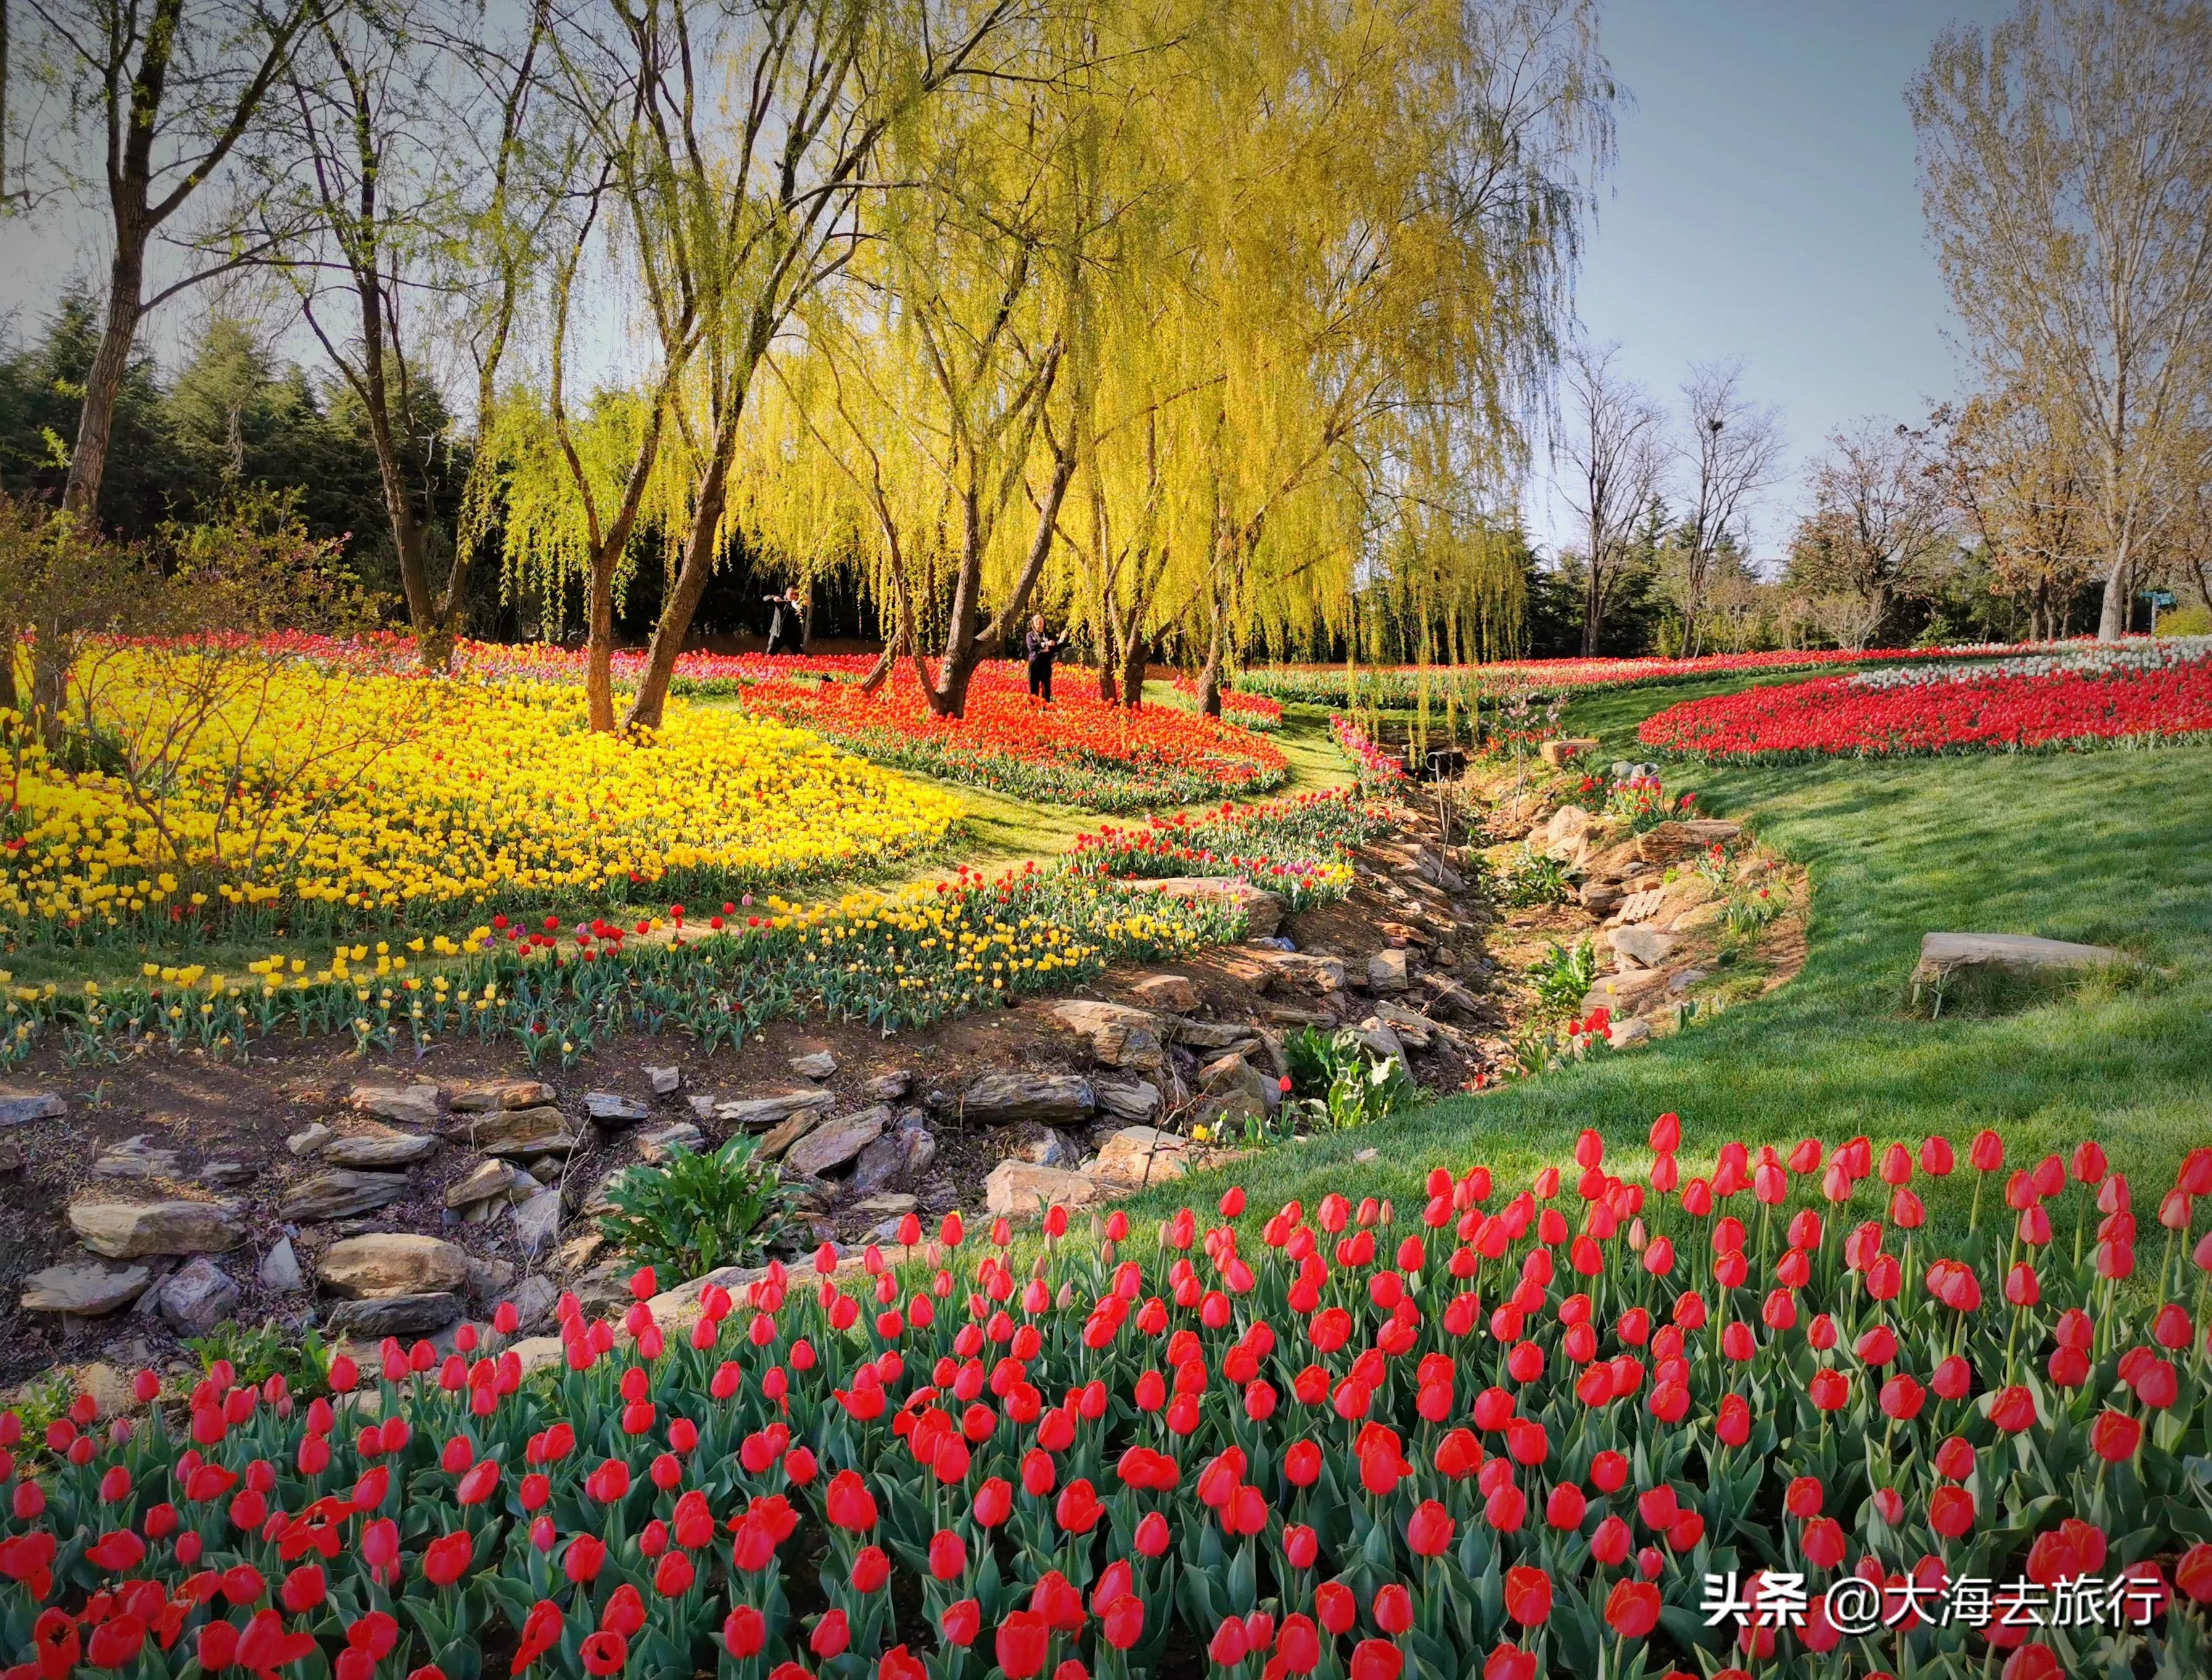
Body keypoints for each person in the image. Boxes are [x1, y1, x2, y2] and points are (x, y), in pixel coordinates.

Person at [1024, 614, 1059, 702]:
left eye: (1040, 620)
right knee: (1033, 685)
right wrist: (1045, 644)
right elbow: (1032, 647)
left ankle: (1046, 705)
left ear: (1044, 622)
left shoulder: (1049, 634)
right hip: (1035, 662)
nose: (1038, 622)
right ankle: (1033, 706)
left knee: (1046, 686)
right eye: (1036, 620)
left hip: (1046, 662)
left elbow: (1055, 648)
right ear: (1033, 623)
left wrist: (1061, 640)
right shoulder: (1030, 635)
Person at [763, 588, 805, 656]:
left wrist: (800, 614)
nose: (794, 596)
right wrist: (774, 598)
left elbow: (802, 616)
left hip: (792, 635)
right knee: (769, 656)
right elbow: (765, 598)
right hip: (778, 633)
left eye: (796, 594)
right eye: (792, 594)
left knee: (801, 656)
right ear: (787, 593)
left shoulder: (798, 603)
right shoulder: (781, 598)